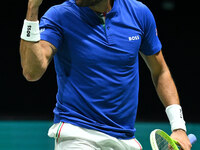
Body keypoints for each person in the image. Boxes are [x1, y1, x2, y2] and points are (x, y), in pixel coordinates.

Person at [19, 0, 192, 149]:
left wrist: (178, 127)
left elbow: (160, 71)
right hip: (77, 133)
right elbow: (31, 71)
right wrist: (32, 8)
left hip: (125, 139)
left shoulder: (139, 14)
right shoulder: (60, 15)